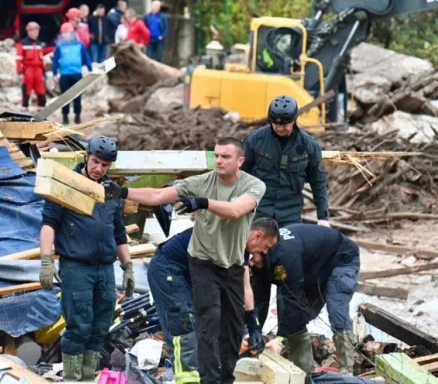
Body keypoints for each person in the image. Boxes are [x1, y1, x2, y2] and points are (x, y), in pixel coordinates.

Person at [103, 136, 267, 384]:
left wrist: (253, 326)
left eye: (226, 156)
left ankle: (224, 379)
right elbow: (159, 196)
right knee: (207, 323)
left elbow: (236, 210)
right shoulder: (202, 182)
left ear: (240, 161)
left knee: (232, 330)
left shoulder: (253, 185)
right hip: (202, 265)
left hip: (230, 267)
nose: (219, 161)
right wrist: (124, 192)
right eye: (217, 155)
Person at [39, 135, 135, 381]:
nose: (98, 169)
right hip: (77, 267)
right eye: (95, 162)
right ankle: (72, 378)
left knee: (100, 325)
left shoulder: (111, 191)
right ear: (86, 157)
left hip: (104, 268)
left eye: (104, 165)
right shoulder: (66, 185)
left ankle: (86, 376)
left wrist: (127, 267)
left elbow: (119, 233)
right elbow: (49, 224)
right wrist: (47, 261)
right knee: (78, 325)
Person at [147, 221, 273, 384]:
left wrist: (254, 326)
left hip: (190, 273)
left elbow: (245, 287)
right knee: (185, 326)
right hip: (169, 268)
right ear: (258, 235)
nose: (264, 252)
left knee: (205, 325)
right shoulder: (228, 234)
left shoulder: (241, 248)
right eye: (266, 247)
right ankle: (187, 381)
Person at [247, 222, 360, 374]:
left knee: (336, 310)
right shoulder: (256, 260)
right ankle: (303, 370)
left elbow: (293, 299)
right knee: (300, 316)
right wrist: (254, 334)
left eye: (253, 257)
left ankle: (347, 370)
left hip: (341, 259)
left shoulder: (285, 255)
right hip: (313, 266)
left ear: (265, 251)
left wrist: (280, 339)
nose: (250, 262)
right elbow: (260, 301)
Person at [241, 95, 330, 228]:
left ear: (294, 121)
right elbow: (239, 173)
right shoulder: (254, 141)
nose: (280, 128)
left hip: (290, 214)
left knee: (288, 248)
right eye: (276, 124)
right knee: (253, 248)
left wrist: (323, 217)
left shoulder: (308, 146)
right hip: (258, 211)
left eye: (284, 124)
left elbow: (318, 183)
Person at [53, 22, 92, 125]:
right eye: (63, 33)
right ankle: (65, 116)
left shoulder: (80, 45)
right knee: (64, 97)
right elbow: (55, 60)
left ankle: (77, 115)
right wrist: (54, 73)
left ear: (72, 33)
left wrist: (90, 69)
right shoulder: (60, 46)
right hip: (64, 75)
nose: (65, 35)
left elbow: (86, 58)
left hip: (77, 74)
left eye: (67, 33)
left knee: (77, 96)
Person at [15, 21, 47, 111]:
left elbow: (41, 59)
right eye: (34, 31)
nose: (36, 33)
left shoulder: (39, 44)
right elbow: (18, 59)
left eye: (37, 31)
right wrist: (20, 72)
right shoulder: (22, 44)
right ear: (28, 32)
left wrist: (44, 71)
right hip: (28, 70)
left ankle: (41, 108)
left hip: (38, 70)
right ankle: (24, 108)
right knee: (26, 89)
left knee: (41, 89)